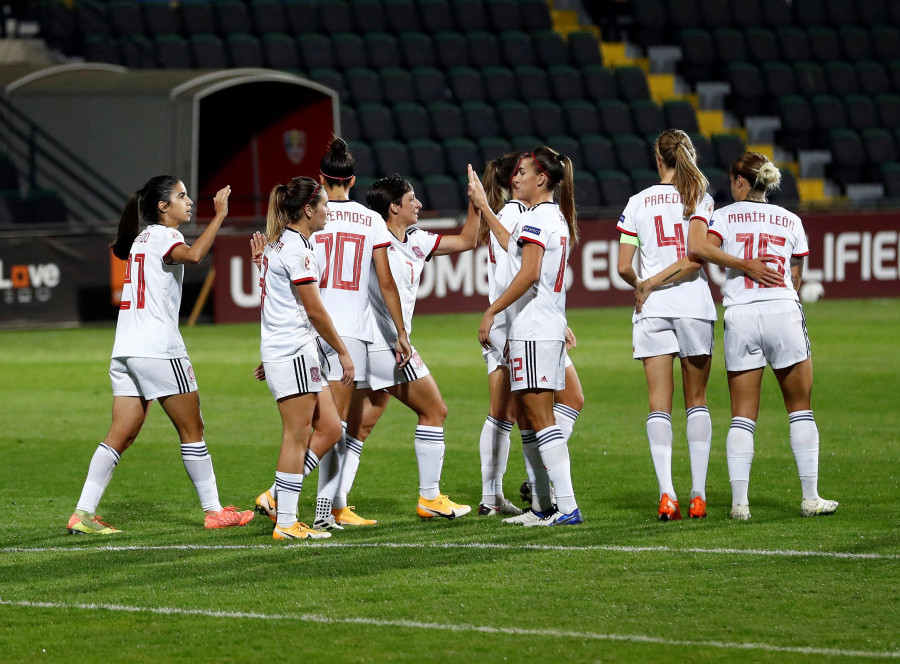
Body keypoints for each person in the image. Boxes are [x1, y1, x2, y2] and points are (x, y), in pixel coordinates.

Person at [67, 176, 254, 535]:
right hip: (159, 349)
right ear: (162, 207)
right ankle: (215, 511)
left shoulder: (141, 239)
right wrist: (219, 216)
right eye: (181, 196)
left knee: (120, 434)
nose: (188, 202)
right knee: (193, 428)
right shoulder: (168, 236)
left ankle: (82, 513)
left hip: (125, 349)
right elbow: (196, 255)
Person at [253, 138, 410, 531]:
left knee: (330, 427)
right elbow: (385, 282)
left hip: (307, 335)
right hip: (343, 331)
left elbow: (280, 294)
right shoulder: (369, 220)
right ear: (351, 179)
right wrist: (400, 331)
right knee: (323, 429)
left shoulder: (285, 239)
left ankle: (289, 502)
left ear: (324, 177)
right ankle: (312, 510)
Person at [686, 151, 838, 519]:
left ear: (740, 182)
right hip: (783, 309)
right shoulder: (790, 219)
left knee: (742, 415)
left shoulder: (722, 216)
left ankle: (740, 504)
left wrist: (741, 265)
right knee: (800, 408)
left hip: (741, 314)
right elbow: (796, 274)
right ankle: (810, 497)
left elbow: (701, 248)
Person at [342, 174, 480, 520]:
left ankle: (320, 500)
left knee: (357, 425)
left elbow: (467, 240)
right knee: (435, 410)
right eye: (412, 199)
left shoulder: (416, 239)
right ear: (393, 207)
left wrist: (475, 202)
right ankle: (429, 498)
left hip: (374, 347)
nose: (418, 204)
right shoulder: (371, 239)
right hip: (385, 345)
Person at [469, 147, 583, 527]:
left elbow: (529, 272)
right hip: (538, 327)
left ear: (540, 180)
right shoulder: (545, 217)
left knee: (539, 418)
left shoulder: (539, 218)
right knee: (532, 418)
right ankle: (542, 507)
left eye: (524, 171)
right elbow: (510, 247)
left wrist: (492, 308)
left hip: (533, 329)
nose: (516, 176)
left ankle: (565, 507)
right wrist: (485, 207)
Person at [615, 129, 721, 521]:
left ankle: (667, 495)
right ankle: (697, 495)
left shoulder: (637, 202)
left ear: (658, 160)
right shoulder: (700, 199)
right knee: (697, 401)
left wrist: (643, 286)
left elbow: (624, 267)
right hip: (693, 305)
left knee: (659, 403)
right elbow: (696, 260)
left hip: (653, 308)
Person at [256, 176, 356, 540]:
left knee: (330, 428)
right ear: (308, 210)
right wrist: (343, 351)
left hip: (292, 350)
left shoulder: (280, 244)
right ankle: (286, 522)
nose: (329, 211)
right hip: (294, 350)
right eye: (324, 205)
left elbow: (274, 305)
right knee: (296, 436)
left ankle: (277, 497)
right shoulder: (297, 250)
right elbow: (313, 310)